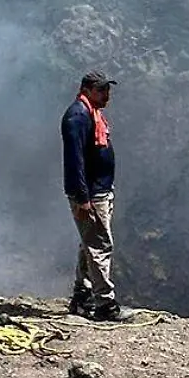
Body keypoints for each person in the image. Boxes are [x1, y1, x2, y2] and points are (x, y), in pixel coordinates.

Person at [62, 71, 122, 321]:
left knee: (90, 243)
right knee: (99, 246)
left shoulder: (92, 114)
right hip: (91, 194)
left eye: (107, 90)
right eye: (102, 90)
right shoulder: (77, 117)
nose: (107, 95)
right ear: (87, 90)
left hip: (100, 190)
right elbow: (74, 161)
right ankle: (105, 305)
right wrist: (82, 198)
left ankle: (82, 295)